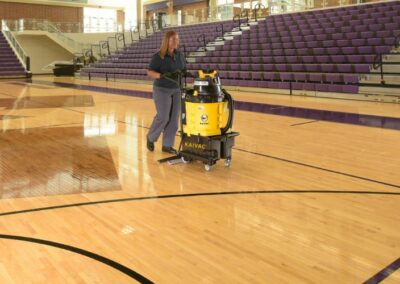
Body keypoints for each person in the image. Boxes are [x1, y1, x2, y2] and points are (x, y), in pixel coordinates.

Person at [146, 30, 186, 154]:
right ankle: (151, 137)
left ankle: (167, 145)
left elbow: (183, 69)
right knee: (163, 117)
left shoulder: (179, 55)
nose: (176, 41)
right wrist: (162, 75)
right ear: (167, 41)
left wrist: (182, 73)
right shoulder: (158, 56)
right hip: (162, 89)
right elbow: (150, 72)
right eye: (173, 39)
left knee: (174, 119)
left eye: (177, 39)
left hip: (176, 89)